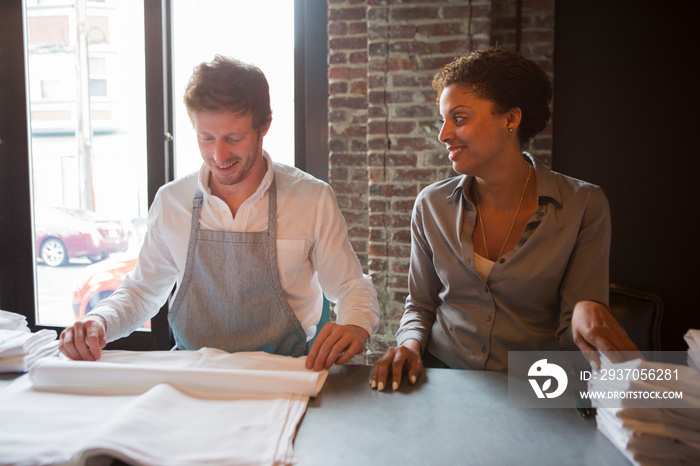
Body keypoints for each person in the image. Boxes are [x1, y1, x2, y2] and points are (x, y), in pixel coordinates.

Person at [59, 56, 379, 371]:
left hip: (286, 379)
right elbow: (142, 290)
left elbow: (350, 286)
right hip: (193, 376)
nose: (219, 155)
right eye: (206, 138)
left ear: (265, 125)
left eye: (234, 139)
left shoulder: (312, 199)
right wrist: (98, 320)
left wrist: (355, 325)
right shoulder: (172, 201)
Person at [370, 47, 637, 391]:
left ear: (510, 119)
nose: (444, 134)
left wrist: (588, 319)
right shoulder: (431, 205)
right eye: (443, 120)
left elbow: (575, 329)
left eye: (460, 118)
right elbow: (420, 305)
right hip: (442, 379)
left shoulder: (584, 206)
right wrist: (408, 347)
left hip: (534, 385)